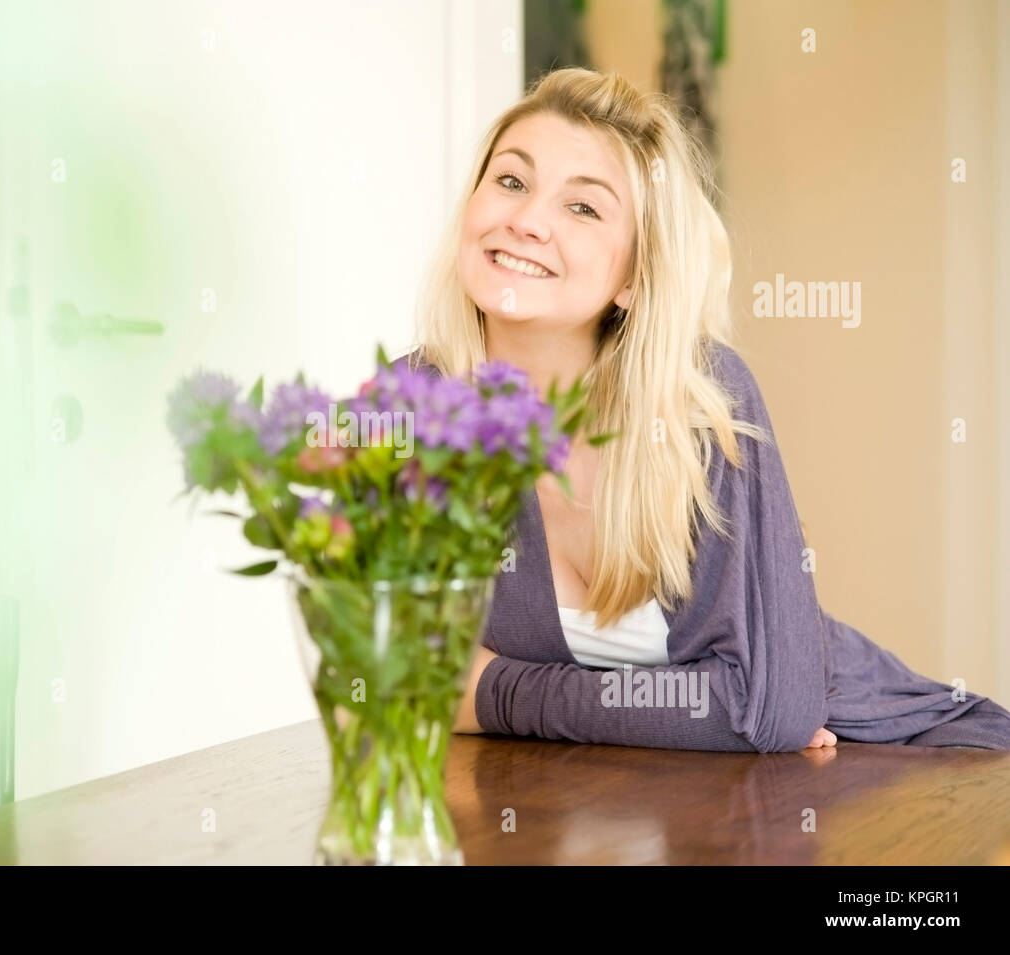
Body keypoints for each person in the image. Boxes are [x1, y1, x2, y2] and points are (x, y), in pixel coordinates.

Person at [398, 67, 1010, 752]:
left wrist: (494, 691)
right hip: (618, 803)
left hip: (894, 765)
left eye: (584, 207)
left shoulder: (699, 403)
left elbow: (763, 710)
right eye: (511, 180)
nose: (527, 220)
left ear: (634, 276)